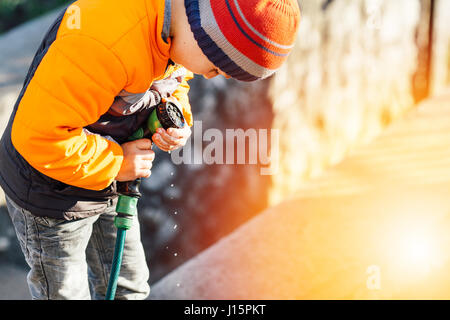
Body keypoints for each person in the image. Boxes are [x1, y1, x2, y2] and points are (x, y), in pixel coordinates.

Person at [0, 0, 301, 299]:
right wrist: (118, 163)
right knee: (65, 292)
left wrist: (172, 114)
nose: (212, 76)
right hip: (49, 194)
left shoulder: (175, 27)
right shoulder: (106, 43)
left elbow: (174, 78)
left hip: (105, 178)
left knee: (128, 285)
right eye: (215, 66)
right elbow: (39, 138)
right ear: (202, 33)